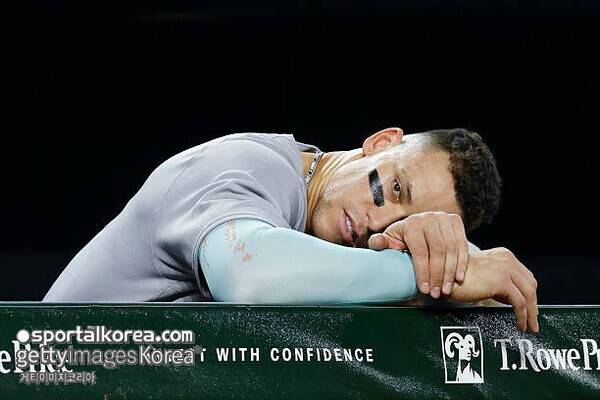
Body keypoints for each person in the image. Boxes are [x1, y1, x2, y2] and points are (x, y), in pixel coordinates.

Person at [43, 127, 538, 332]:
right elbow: (249, 278)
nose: (376, 221)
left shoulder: (320, 246)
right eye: (391, 190)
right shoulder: (247, 165)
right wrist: (421, 276)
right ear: (380, 143)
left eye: (401, 224)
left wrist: (456, 269)